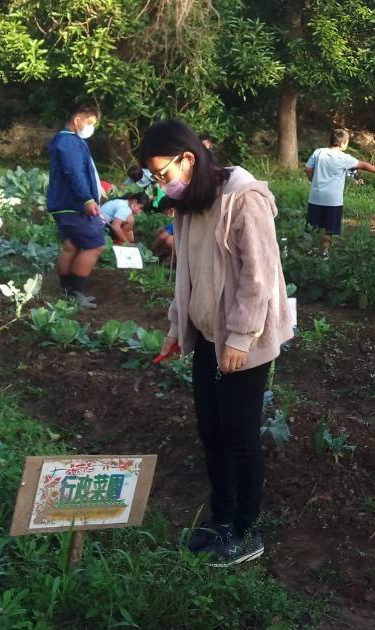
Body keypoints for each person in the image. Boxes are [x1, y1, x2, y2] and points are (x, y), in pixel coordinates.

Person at [140, 119, 294, 567]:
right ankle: (222, 516)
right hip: (209, 336)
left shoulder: (245, 200)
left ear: (187, 159)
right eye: (154, 178)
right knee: (211, 428)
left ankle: (247, 529)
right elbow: (184, 278)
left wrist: (242, 337)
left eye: (162, 174)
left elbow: (259, 276)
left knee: (240, 434)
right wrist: (175, 329)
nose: (160, 185)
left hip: (244, 340)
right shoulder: (190, 204)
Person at [46, 102, 104, 309]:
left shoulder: (64, 141)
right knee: (95, 245)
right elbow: (74, 172)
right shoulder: (69, 142)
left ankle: (67, 292)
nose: (91, 128)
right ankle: (76, 292)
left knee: (70, 246)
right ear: (77, 120)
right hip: (74, 205)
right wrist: (87, 198)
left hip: (63, 205)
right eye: (89, 123)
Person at [304, 128, 375, 258]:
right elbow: (363, 165)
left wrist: (313, 180)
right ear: (343, 144)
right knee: (329, 227)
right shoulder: (344, 158)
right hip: (333, 200)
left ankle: (310, 250)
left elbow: (308, 168)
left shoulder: (319, 152)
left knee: (313, 224)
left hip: (315, 197)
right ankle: (325, 252)